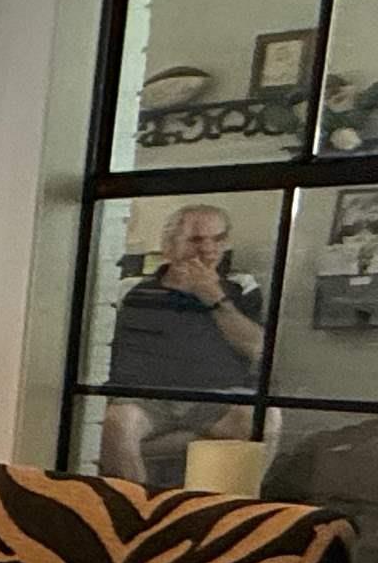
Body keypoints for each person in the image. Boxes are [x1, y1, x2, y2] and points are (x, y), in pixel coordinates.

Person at [98, 203, 263, 484]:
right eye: (196, 240)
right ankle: (141, 511)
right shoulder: (131, 289)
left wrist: (214, 297)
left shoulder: (240, 286)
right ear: (169, 246)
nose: (208, 250)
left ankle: (224, 516)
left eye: (218, 239)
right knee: (115, 424)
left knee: (264, 420)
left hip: (215, 398)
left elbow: (257, 348)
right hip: (145, 400)